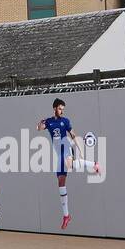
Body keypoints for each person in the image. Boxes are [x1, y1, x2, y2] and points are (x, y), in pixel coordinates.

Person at [36, 98, 99, 229]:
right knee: (61, 183)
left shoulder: (65, 121)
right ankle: (66, 216)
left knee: (69, 164)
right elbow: (39, 128)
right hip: (59, 153)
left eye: (63, 109)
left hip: (66, 146)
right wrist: (40, 124)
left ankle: (94, 164)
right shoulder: (49, 122)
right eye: (60, 109)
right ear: (54, 108)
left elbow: (74, 135)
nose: (61, 111)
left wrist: (81, 150)